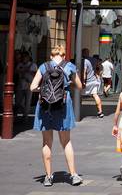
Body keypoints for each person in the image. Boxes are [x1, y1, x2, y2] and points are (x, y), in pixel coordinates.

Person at [30, 45, 84, 186]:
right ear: (64, 55)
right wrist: (68, 85)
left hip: (45, 106)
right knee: (66, 141)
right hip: (63, 105)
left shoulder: (44, 66)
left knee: (47, 142)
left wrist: (45, 89)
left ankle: (48, 177)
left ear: (51, 56)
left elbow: (32, 87)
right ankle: (73, 175)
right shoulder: (69, 66)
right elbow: (79, 86)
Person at [82, 48, 103, 118]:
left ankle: (77, 110)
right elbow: (99, 68)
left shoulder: (85, 61)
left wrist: (83, 81)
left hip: (87, 81)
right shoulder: (94, 59)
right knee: (95, 95)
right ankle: (100, 112)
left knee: (78, 96)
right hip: (94, 80)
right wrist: (98, 75)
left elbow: (84, 72)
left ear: (83, 53)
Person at [16, 51, 37, 121]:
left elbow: (36, 74)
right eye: (23, 57)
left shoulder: (33, 65)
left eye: (25, 57)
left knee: (28, 101)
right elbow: (16, 71)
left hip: (29, 85)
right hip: (21, 84)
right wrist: (22, 70)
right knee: (18, 101)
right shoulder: (20, 64)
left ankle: (26, 116)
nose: (24, 58)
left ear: (28, 57)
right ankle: (23, 112)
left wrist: (28, 71)